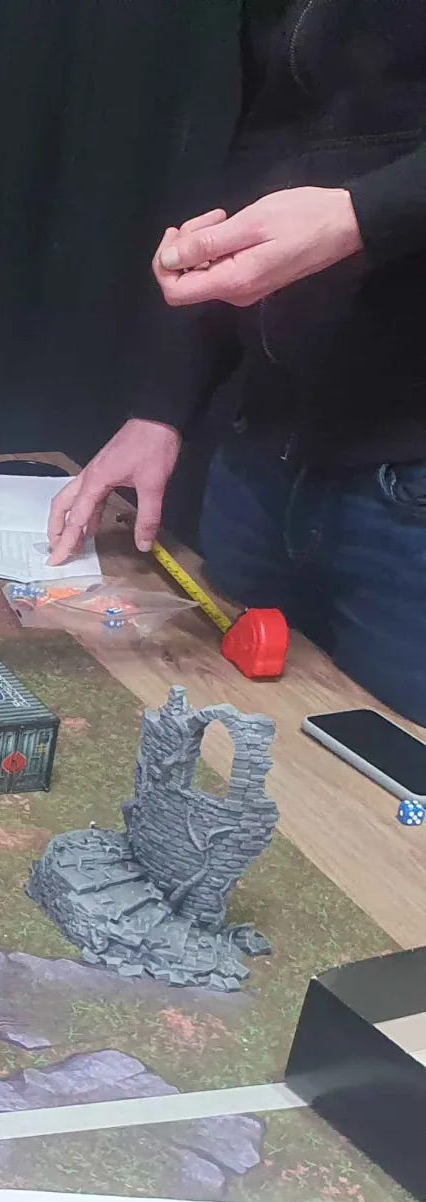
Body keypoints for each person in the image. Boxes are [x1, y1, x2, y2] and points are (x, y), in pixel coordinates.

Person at [47, 2, 426, 720]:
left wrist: (362, 213)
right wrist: (163, 406)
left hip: (408, 496)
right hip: (258, 467)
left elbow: (345, 205)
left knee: (386, 785)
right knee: (220, 743)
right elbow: (256, 172)